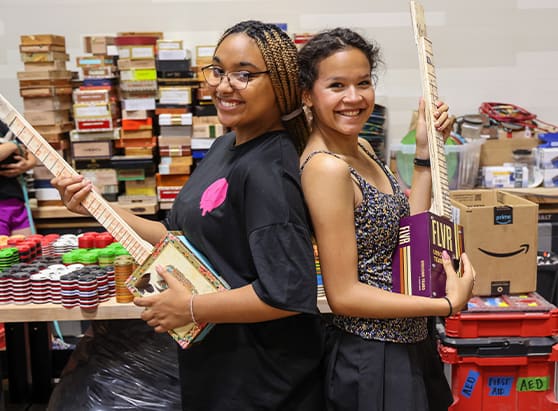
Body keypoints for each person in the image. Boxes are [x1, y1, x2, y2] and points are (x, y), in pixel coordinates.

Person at [52, 20, 324, 411]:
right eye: (217, 70)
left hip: (263, 381)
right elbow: (175, 235)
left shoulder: (269, 170)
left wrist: (191, 308)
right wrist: (95, 204)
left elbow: (286, 293)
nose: (223, 85)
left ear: (281, 83)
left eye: (244, 75)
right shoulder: (226, 145)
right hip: (219, 365)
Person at [297, 28, 475, 411]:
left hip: (410, 342)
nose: (354, 97)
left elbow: (405, 234)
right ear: (307, 95)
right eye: (337, 85)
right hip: (373, 357)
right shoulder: (326, 168)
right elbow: (343, 295)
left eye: (363, 83)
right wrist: (445, 305)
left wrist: (425, 154)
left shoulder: (360, 146)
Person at [0, 121, 37, 237]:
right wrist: (12, 146)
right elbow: (15, 145)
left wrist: (28, 163)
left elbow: (26, 149)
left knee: (29, 250)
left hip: (16, 202)